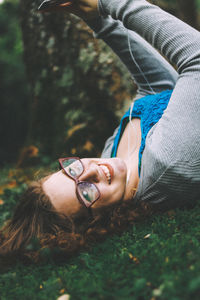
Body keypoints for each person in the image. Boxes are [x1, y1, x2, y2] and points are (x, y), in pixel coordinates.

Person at [1, 0, 200, 259]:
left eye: (72, 170)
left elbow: (158, 88)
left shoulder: (111, 153)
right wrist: (110, 3)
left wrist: (97, 19)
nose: (94, 170)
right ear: (95, 223)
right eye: (85, 192)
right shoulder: (167, 164)